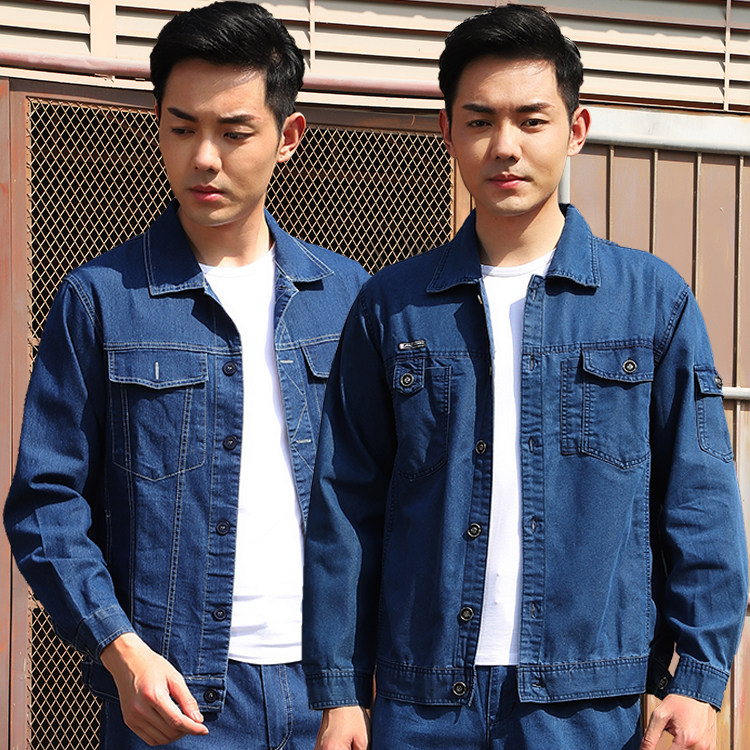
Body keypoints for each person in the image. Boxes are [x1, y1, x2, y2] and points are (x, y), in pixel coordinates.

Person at [301, 5, 748, 750]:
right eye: (479, 121)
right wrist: (340, 692)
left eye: (531, 121)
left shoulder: (650, 300)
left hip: (588, 704)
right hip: (423, 702)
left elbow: (698, 499)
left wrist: (699, 676)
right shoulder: (392, 306)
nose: (505, 146)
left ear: (576, 129)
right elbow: (345, 504)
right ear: (447, 132)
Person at [4, 2, 368, 747]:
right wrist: (120, 649)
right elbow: (46, 502)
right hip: (175, 699)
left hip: (332, 695)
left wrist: (361, 681)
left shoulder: (349, 296)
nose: (205, 157)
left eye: (234, 132)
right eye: (182, 128)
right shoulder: (102, 299)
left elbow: (391, 498)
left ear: (288, 136)